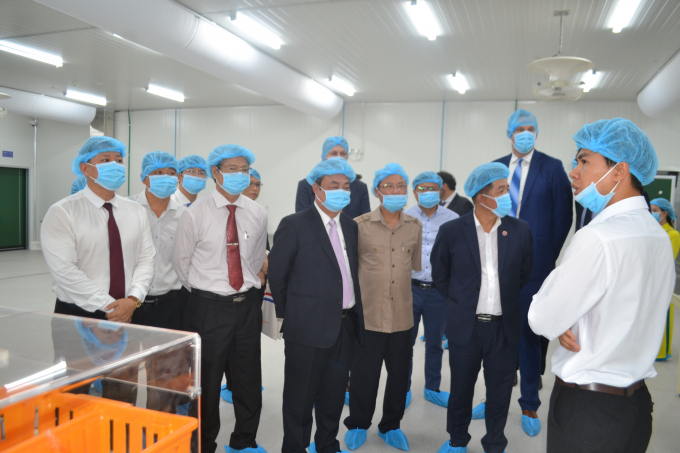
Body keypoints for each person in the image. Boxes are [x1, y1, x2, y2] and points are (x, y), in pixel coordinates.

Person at [528, 118, 676, 453]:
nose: (573, 172)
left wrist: (561, 314)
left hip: (589, 412)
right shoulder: (657, 236)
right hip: (635, 407)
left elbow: (542, 319)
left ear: (620, 170)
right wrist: (574, 316)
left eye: (584, 161)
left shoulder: (597, 238)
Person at [173, 144, 268, 453]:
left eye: (245, 169)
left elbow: (253, 262)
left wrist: (241, 291)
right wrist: (210, 292)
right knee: (207, 384)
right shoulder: (195, 214)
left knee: (248, 380)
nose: (241, 175)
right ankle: (203, 444)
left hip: (246, 306)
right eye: (232, 169)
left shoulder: (257, 212)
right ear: (215, 173)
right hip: (207, 308)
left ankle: (244, 441)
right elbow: (182, 263)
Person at [432, 162, 533, 453]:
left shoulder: (520, 230)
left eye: (506, 190)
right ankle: (457, 440)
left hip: (504, 327)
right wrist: (461, 302)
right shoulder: (452, 231)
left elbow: (523, 275)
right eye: (500, 190)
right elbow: (441, 276)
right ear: (481, 197)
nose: (507, 196)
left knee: (500, 392)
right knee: (461, 389)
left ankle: (495, 443)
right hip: (467, 326)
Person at [269, 158, 364, 453]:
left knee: (333, 397)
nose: (341, 191)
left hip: (345, 325)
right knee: (299, 400)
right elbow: (277, 275)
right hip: (306, 330)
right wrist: (292, 317)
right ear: (316, 188)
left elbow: (348, 272)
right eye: (333, 185)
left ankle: (327, 445)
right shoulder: (294, 224)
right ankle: (295, 448)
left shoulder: (350, 225)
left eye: (346, 186)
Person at [489, 109, 572, 437]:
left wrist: (545, 258)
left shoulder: (551, 168)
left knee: (528, 334)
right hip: (496, 263)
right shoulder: (495, 167)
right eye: (520, 128)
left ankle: (529, 402)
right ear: (509, 133)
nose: (525, 133)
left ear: (536, 133)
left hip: (535, 267)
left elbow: (563, 216)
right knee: (494, 335)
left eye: (530, 129)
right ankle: (494, 397)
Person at [343, 163, 422, 451]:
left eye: (401, 186)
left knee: (400, 377)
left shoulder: (414, 227)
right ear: (377, 191)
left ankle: (391, 425)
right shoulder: (359, 226)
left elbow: (413, 268)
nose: (395, 191)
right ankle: (359, 423)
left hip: (403, 316)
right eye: (388, 186)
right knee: (364, 375)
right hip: (368, 317)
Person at [42, 136, 155, 323]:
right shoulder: (63, 212)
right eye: (105, 160)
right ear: (85, 168)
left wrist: (133, 299)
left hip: (129, 309)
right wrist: (110, 306)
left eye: (119, 160)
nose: (115, 164)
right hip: (79, 313)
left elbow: (146, 259)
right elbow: (65, 271)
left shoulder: (136, 211)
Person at [404, 171, 458, 408]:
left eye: (432, 188)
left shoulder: (453, 218)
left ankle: (432, 387)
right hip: (410, 289)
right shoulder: (404, 217)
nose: (427, 193)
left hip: (438, 291)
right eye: (422, 189)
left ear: (441, 190)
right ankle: (402, 388)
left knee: (435, 343)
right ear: (414, 192)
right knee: (406, 343)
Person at [221, 167, 269, 404]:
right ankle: (231, 383)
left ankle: (244, 381)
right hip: (223, 293)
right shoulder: (223, 213)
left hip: (251, 289)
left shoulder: (258, 214)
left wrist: (261, 271)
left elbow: (261, 252)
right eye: (250, 183)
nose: (254, 188)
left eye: (258, 185)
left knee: (247, 342)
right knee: (226, 342)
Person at [129, 151, 187, 331]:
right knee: (129, 357)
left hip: (169, 305)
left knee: (166, 358)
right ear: (144, 179)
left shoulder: (185, 216)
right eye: (157, 172)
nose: (165, 177)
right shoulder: (126, 210)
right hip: (129, 303)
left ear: (177, 178)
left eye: (171, 173)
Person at [295, 136, 370, 218]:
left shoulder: (360, 187)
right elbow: (302, 219)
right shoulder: (306, 185)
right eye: (334, 153)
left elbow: (365, 221)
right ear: (324, 156)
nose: (338, 157)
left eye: (343, 154)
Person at [650, 198, 679, 361]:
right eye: (651, 210)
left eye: (655, 210)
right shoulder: (652, 230)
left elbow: (667, 259)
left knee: (664, 316)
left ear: (664, 213)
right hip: (649, 281)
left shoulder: (673, 234)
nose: (652, 213)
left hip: (663, 281)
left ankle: (662, 352)